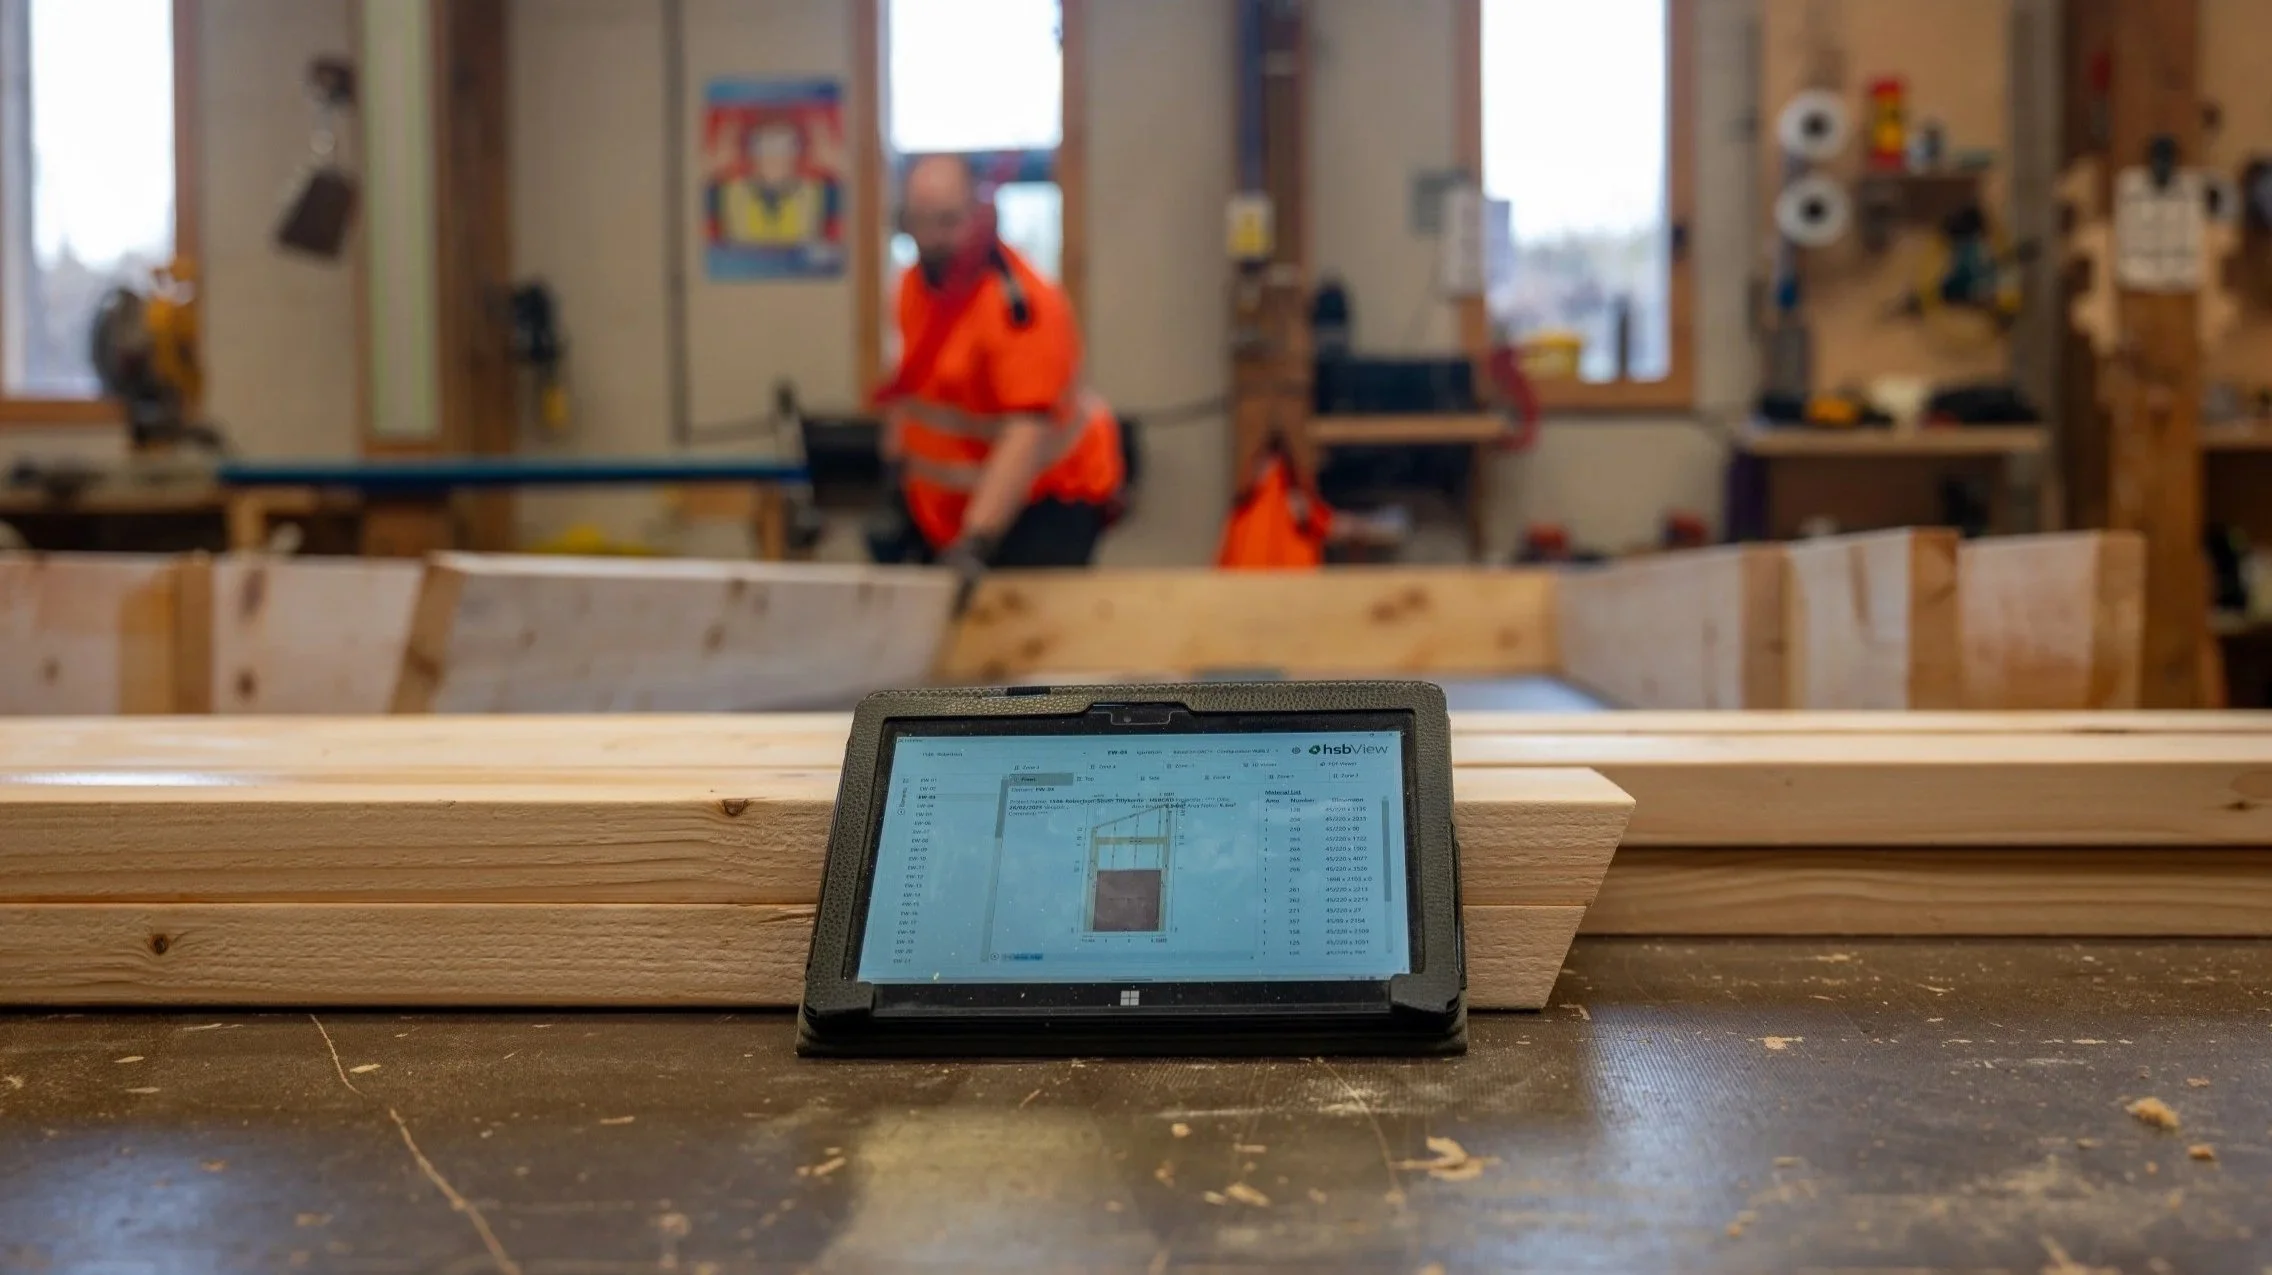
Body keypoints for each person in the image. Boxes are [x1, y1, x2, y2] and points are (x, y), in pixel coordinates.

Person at [868, 155, 1123, 586]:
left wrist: (975, 543)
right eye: (920, 222)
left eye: (947, 222)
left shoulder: (1020, 307)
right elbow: (913, 385)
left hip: (1044, 504)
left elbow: (1025, 434)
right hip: (947, 514)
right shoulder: (915, 285)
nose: (932, 239)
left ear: (980, 215)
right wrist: (896, 484)